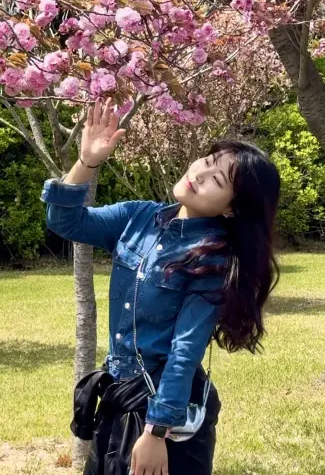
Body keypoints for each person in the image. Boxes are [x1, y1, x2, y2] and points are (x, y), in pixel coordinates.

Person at [41, 97, 281, 475]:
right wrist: (87, 162)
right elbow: (64, 222)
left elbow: (184, 350)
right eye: (207, 161)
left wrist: (156, 432)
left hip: (163, 415)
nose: (199, 173)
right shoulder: (138, 217)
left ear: (232, 208)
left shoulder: (213, 258)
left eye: (216, 179)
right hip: (119, 399)